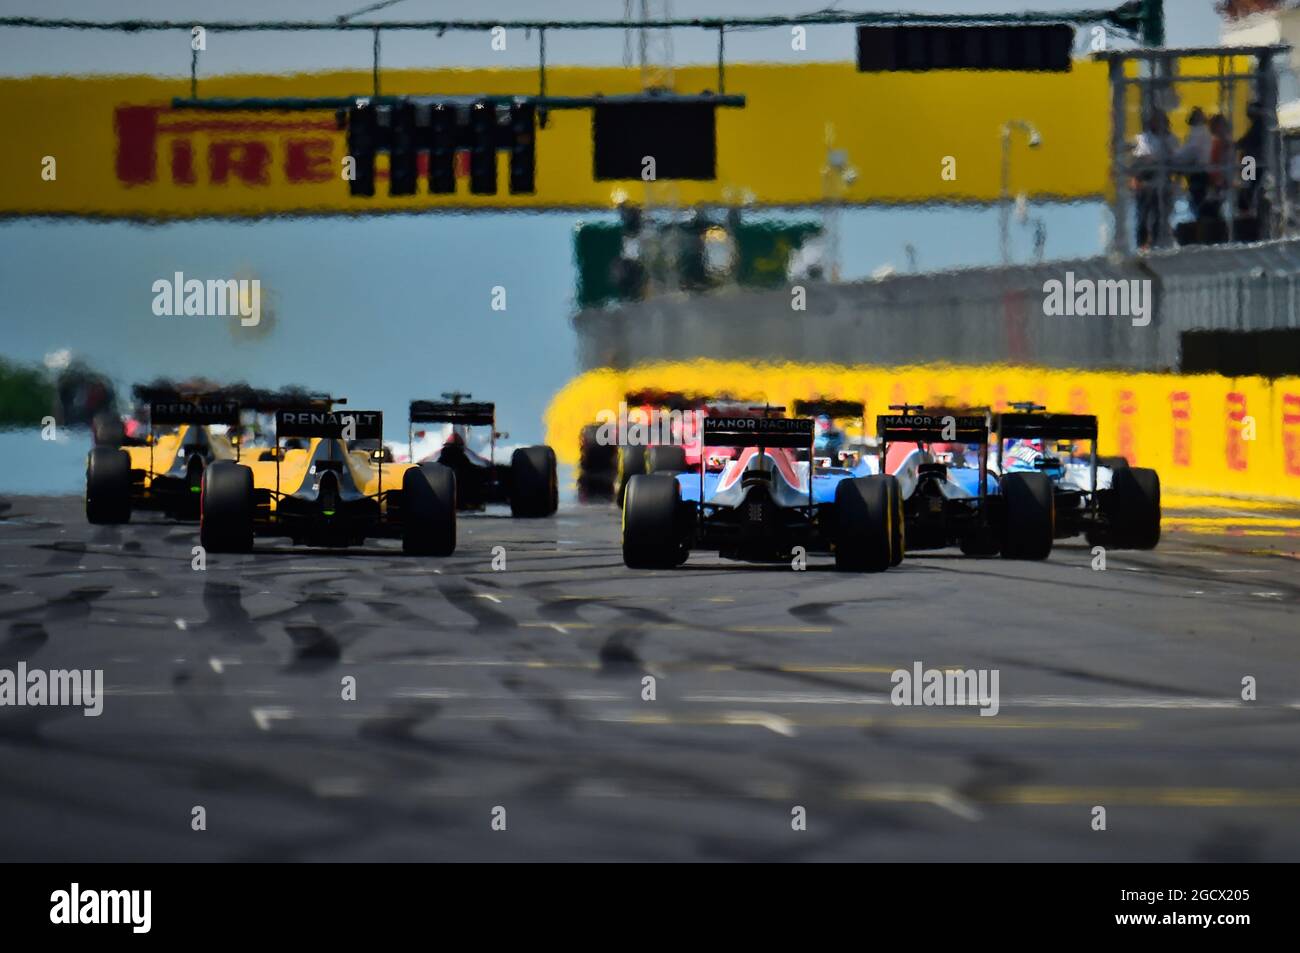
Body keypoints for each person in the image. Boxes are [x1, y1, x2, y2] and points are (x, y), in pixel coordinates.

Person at [1131, 110, 1179, 250]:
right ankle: (1142, 244)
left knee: (1161, 214)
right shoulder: (1143, 138)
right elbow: (1143, 157)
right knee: (1143, 215)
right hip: (1146, 182)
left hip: (1164, 182)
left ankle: (1158, 242)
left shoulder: (1171, 139)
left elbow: (1175, 157)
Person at [1176, 107, 1212, 217]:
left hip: (1198, 171)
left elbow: (1191, 150)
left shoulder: (1198, 132)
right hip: (1201, 170)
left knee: (1197, 199)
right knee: (1199, 198)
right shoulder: (1203, 132)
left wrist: (1176, 158)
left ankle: (1200, 219)